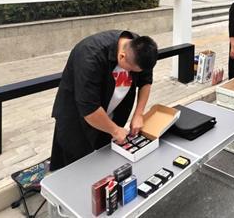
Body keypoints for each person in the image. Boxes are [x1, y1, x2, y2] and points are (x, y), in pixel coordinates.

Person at [50, 31, 158, 171]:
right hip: (76, 119)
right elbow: (90, 110)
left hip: (109, 116)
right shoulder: (90, 55)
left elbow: (145, 82)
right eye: (132, 70)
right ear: (122, 56)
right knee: (77, 167)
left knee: (104, 164)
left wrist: (138, 114)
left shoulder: (140, 49)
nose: (134, 74)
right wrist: (115, 130)